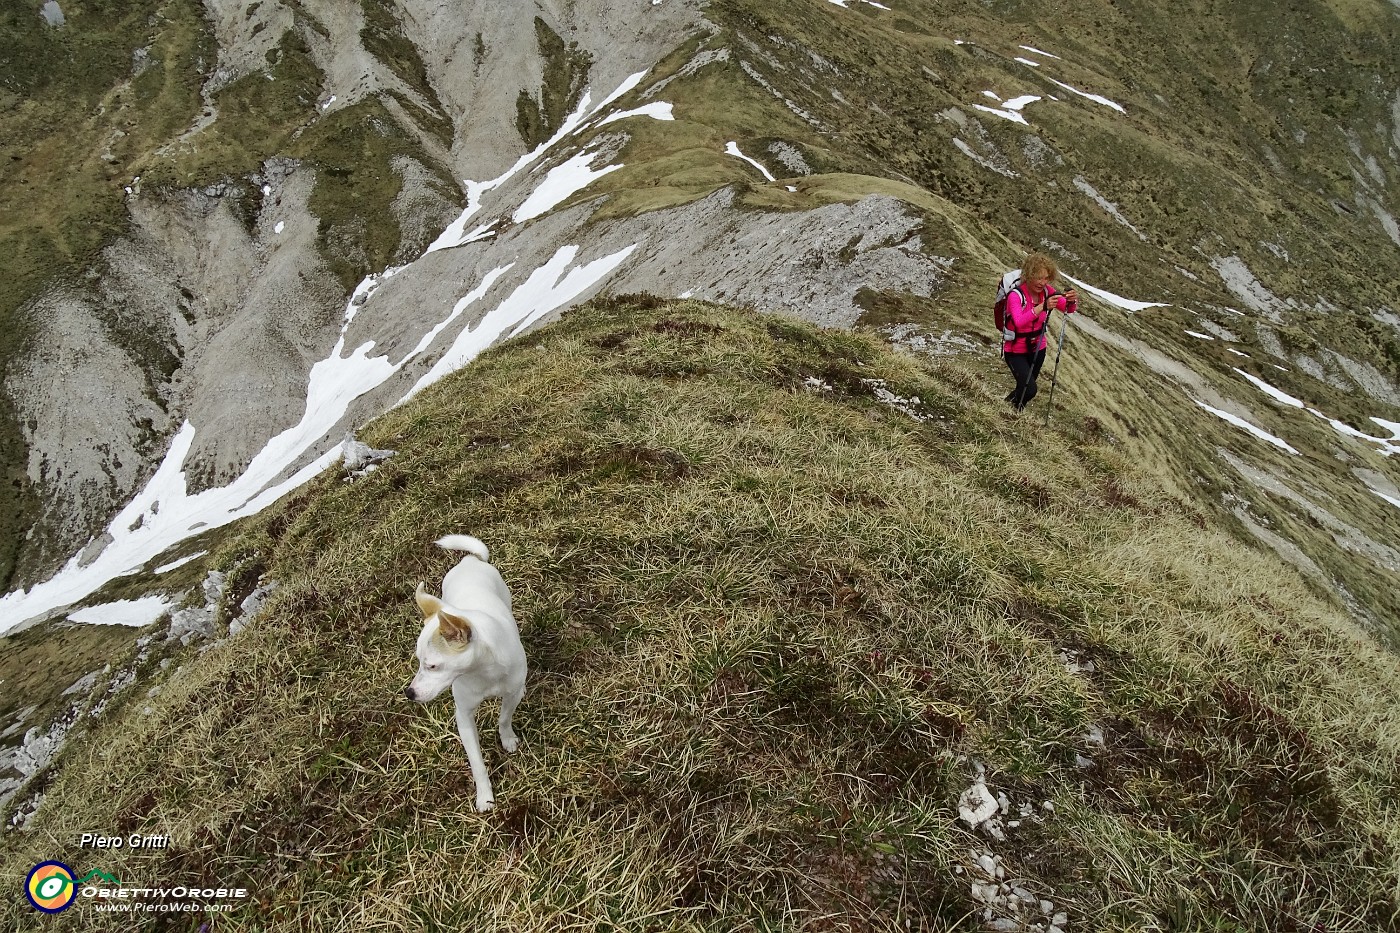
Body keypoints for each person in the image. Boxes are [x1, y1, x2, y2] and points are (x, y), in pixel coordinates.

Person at [1002, 253, 1078, 411]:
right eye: (1038, 278)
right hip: (1015, 350)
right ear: (1028, 276)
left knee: (1025, 390)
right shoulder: (1015, 296)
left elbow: (1067, 309)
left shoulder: (1047, 291)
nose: (1042, 283)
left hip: (1038, 348)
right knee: (1030, 389)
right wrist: (1042, 307)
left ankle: (1012, 414)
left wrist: (1072, 300)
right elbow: (1019, 321)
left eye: (1046, 278)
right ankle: (1004, 409)